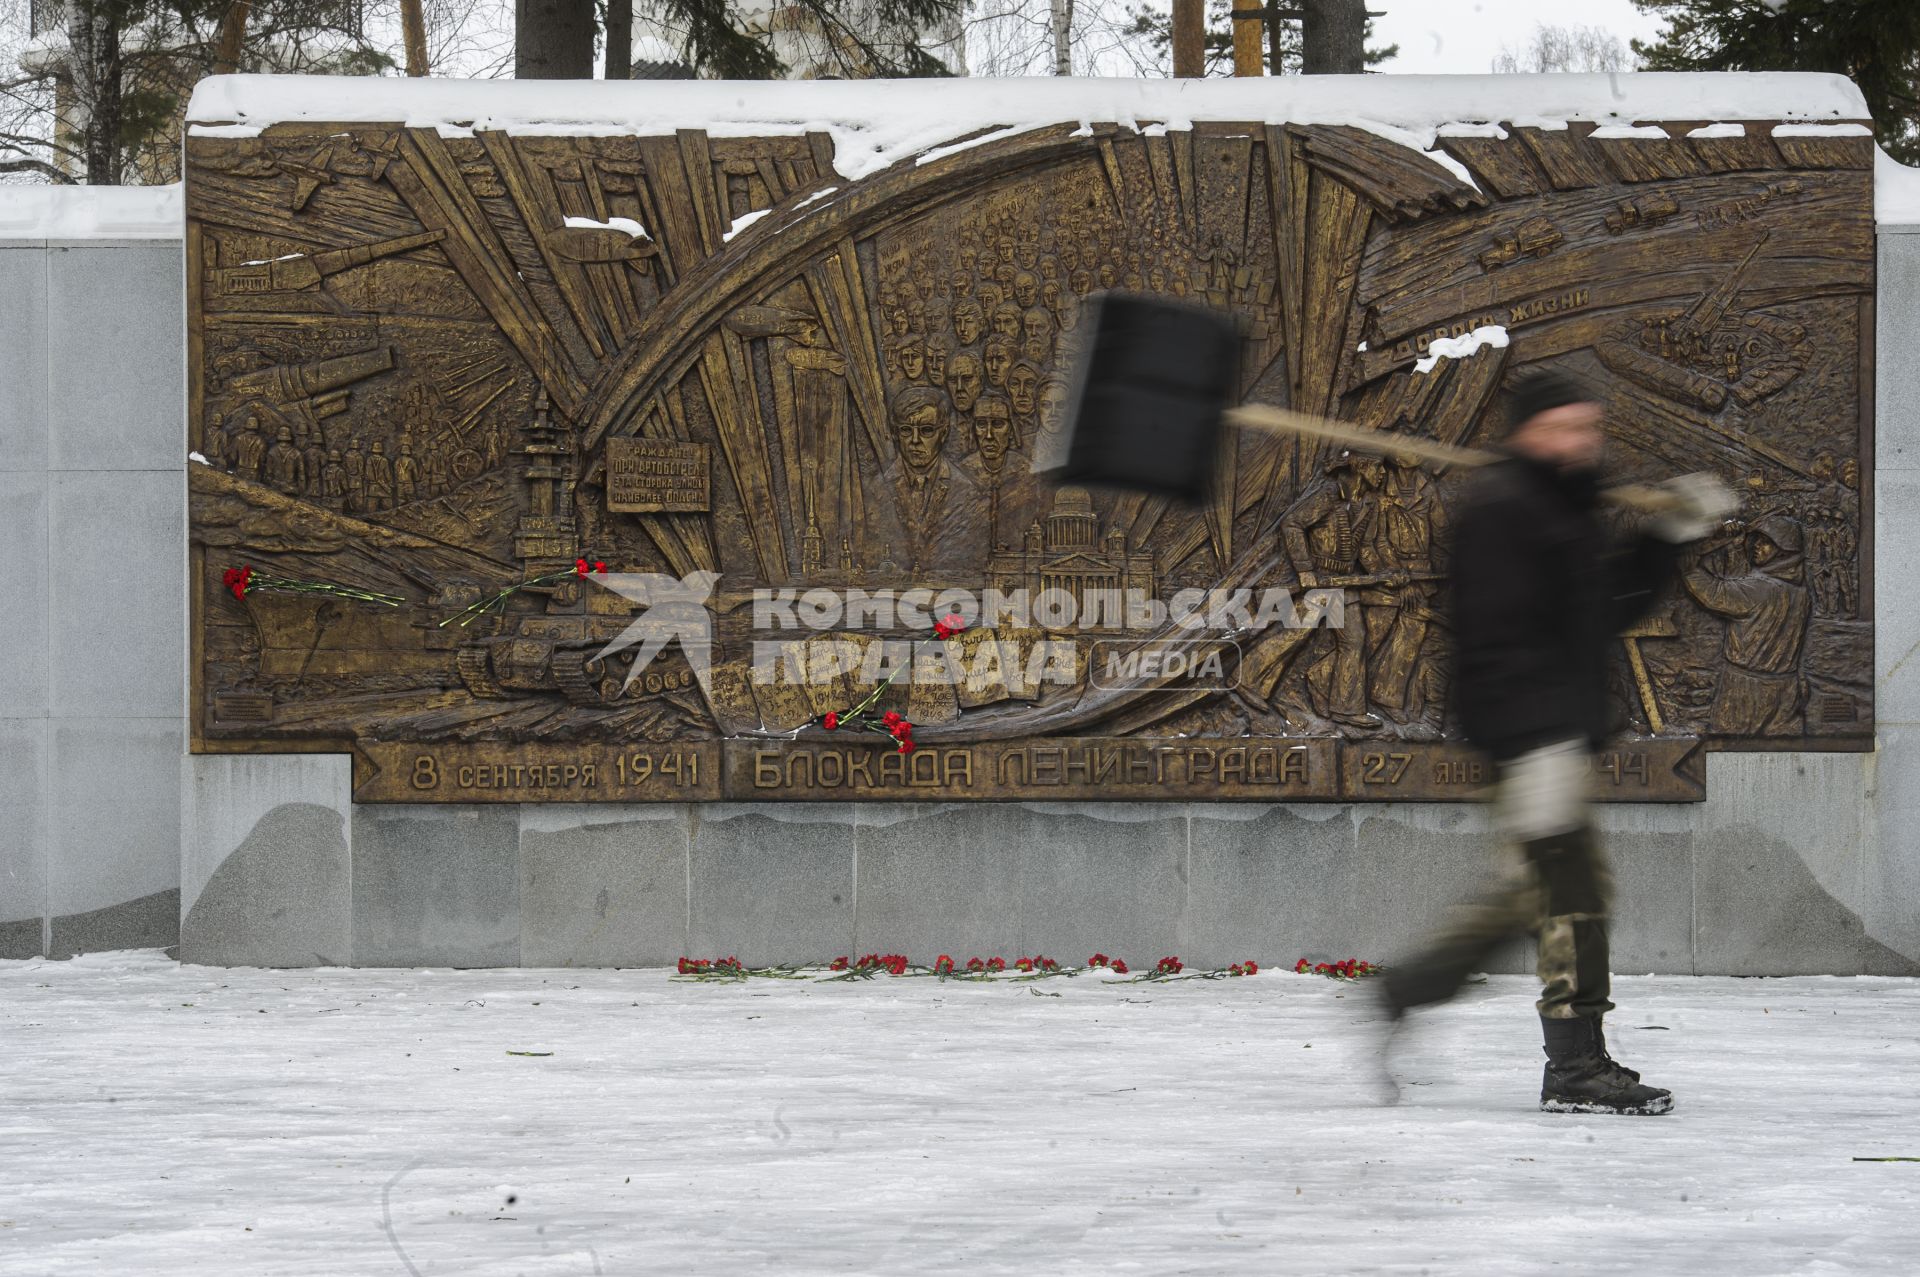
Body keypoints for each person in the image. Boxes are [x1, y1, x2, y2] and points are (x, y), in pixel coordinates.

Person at [1377, 370, 1733, 1116]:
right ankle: (1573, 1067)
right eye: (1567, 427)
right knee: (1567, 895)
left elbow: (1603, 612)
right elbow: (1501, 636)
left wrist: (1666, 535)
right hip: (1530, 732)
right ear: (1528, 431)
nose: (1582, 441)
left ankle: (1411, 990)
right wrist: (1534, 739)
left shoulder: (1554, 508)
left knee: (1546, 891)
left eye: (1589, 427)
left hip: (1554, 730)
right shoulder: (1504, 510)